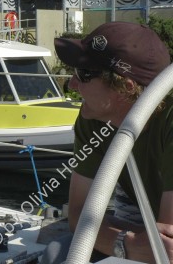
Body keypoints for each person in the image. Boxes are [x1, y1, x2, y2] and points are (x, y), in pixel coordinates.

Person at [42, 21, 173, 263]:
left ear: (125, 87)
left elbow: (168, 246)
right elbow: (78, 215)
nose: (71, 84)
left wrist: (121, 240)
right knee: (54, 254)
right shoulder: (93, 118)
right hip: (143, 232)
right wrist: (127, 244)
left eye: (83, 74)